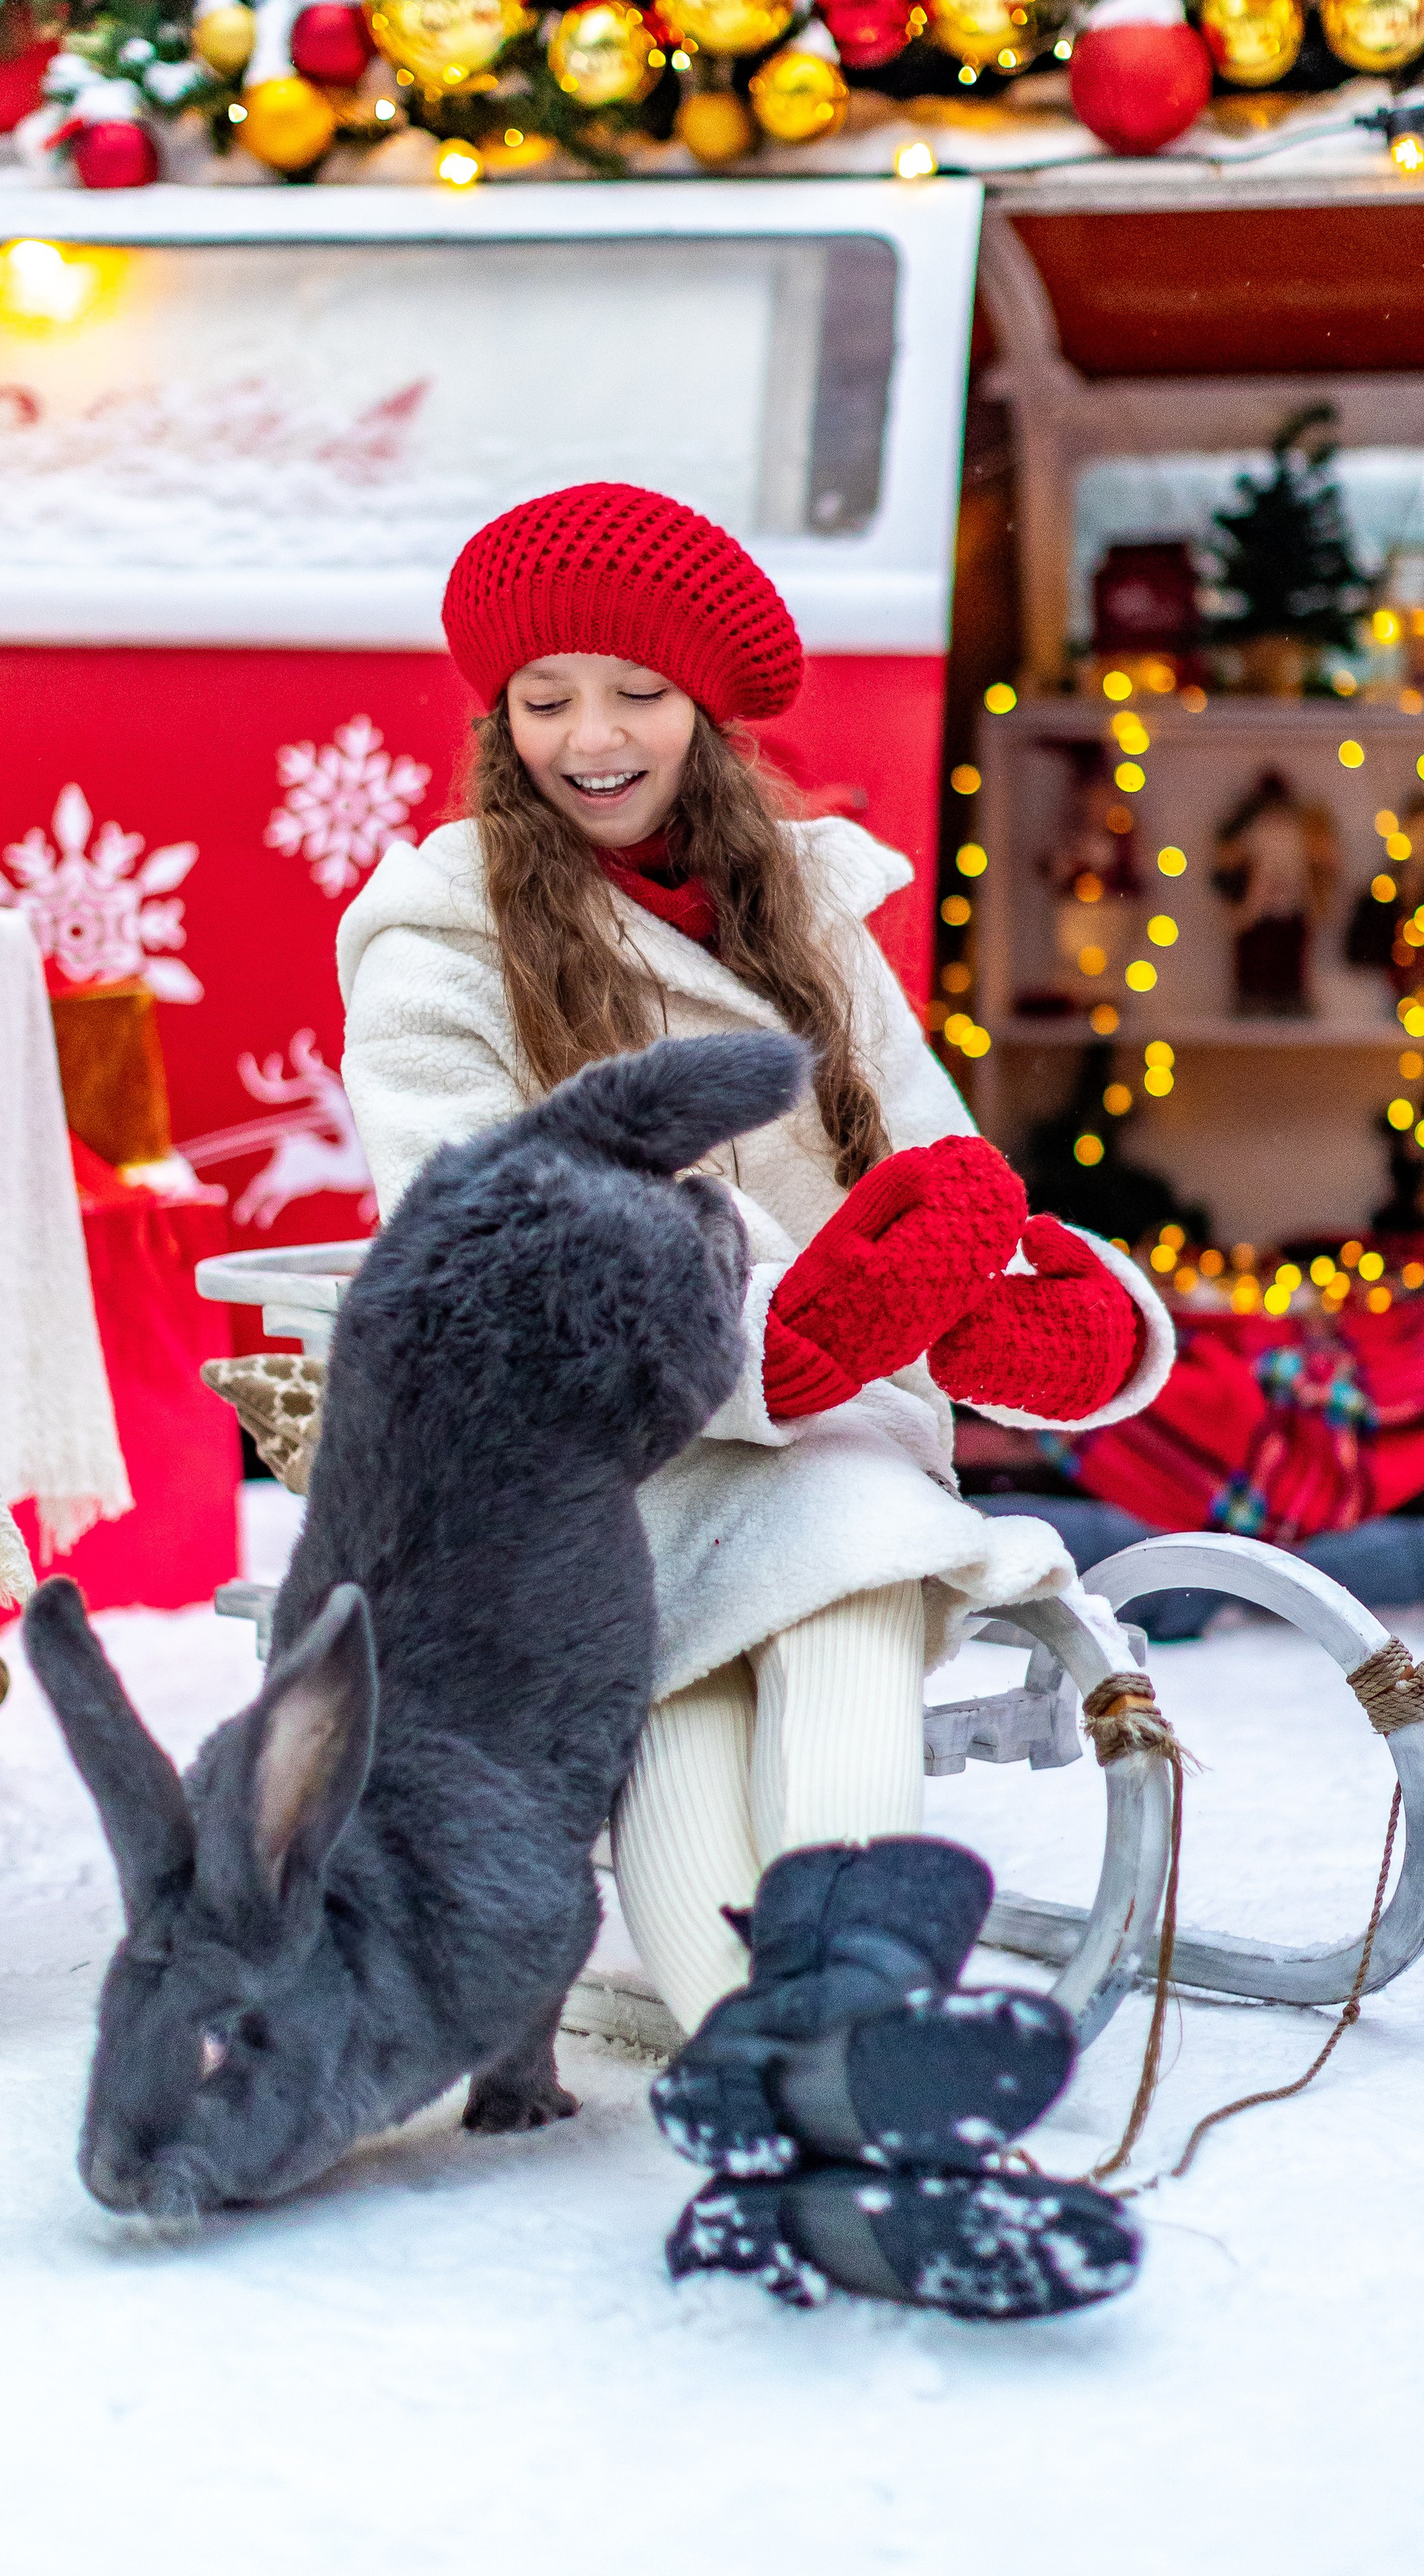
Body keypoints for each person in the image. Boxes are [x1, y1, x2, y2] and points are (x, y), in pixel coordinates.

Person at [337, 484, 1174, 2318]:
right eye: (542, 696)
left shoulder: (810, 900)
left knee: (840, 1580)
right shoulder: (436, 937)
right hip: (595, 1435)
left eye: (631, 689)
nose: (588, 738)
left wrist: (1018, 1303)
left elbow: (938, 1159)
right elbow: (481, 1220)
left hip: (836, 1405)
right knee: (697, 1688)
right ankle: (840, 2092)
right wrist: (767, 1334)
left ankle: (799, 2083)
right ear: (494, 716)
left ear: (703, 709)